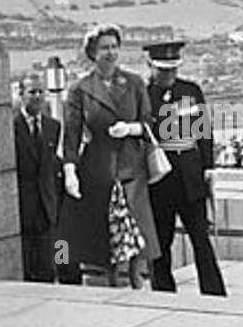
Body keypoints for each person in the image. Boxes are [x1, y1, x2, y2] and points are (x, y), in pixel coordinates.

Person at [60, 24, 161, 288]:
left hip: (132, 167)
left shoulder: (135, 82)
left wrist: (131, 128)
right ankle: (111, 282)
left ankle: (138, 280)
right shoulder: (80, 89)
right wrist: (70, 171)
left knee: (138, 230)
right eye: (104, 47)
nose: (111, 53)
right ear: (92, 52)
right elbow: (71, 136)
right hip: (98, 170)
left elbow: (150, 124)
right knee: (106, 234)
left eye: (114, 47)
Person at [144, 40, 226, 297]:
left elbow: (204, 131)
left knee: (201, 239)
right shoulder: (144, 96)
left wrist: (208, 166)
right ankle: (163, 291)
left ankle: (214, 292)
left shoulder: (191, 91)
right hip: (161, 176)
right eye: (163, 70)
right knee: (161, 241)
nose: (169, 75)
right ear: (150, 65)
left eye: (173, 69)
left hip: (190, 175)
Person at [13, 71, 63, 282]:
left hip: (47, 206)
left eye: (41, 92)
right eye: (32, 92)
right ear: (21, 94)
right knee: (27, 267)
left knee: (49, 265)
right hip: (24, 207)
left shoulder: (53, 127)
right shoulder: (11, 127)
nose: (37, 97)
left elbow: (52, 165)